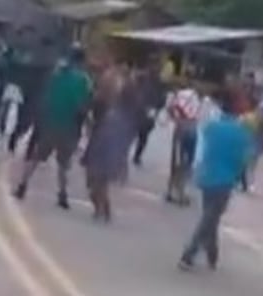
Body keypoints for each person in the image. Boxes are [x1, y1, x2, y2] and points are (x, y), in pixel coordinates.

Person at [179, 88, 252, 271]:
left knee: (211, 216)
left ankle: (212, 253)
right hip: (225, 180)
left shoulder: (212, 127)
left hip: (207, 175)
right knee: (209, 217)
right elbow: (243, 161)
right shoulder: (241, 133)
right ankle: (190, 253)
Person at [13, 46, 93, 209]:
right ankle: (62, 195)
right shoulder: (83, 80)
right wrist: (87, 124)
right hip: (69, 127)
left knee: (36, 157)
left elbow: (46, 97)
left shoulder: (57, 75)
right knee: (63, 164)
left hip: (51, 122)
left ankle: (22, 186)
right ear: (82, 61)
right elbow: (82, 106)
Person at [82, 66, 135, 222]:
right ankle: (104, 209)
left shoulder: (117, 115)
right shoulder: (103, 104)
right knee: (96, 183)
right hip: (100, 147)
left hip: (103, 151)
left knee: (97, 182)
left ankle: (102, 210)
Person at [165, 78, 202, 206]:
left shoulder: (179, 94)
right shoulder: (196, 97)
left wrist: (176, 118)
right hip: (191, 128)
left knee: (177, 160)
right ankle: (180, 192)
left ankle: (171, 190)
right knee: (186, 161)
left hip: (181, 127)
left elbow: (170, 108)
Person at [131, 62, 166, 167]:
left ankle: (133, 155)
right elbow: (162, 100)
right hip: (146, 112)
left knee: (135, 134)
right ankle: (136, 156)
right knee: (142, 136)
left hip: (141, 111)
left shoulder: (141, 78)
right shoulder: (158, 83)